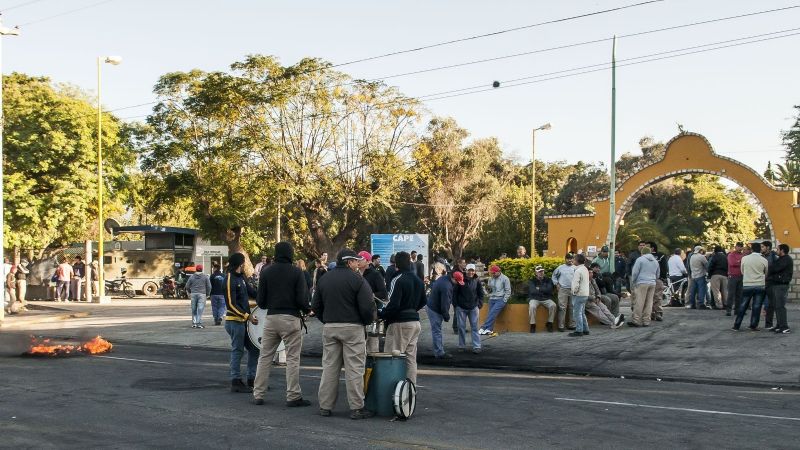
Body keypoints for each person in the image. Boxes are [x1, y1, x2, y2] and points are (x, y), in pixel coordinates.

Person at [312, 249, 376, 419]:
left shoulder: (324, 278)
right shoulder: (358, 280)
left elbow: (316, 305)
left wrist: (326, 320)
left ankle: (325, 406)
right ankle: (356, 408)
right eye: (355, 261)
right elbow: (367, 306)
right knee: (354, 368)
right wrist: (366, 321)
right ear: (349, 262)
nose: (357, 264)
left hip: (330, 327)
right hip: (353, 328)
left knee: (329, 368)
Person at [252, 242, 312, 407]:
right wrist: (307, 310)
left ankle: (258, 394)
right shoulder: (297, 272)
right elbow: (302, 299)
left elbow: (261, 302)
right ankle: (293, 395)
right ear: (290, 254)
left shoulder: (266, 272)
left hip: (271, 318)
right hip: (291, 318)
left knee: (265, 357)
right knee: (292, 358)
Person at [379, 251, 427, 383]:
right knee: (410, 358)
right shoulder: (418, 280)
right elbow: (424, 301)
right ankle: (410, 390)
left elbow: (393, 305)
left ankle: (391, 390)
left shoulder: (397, 279)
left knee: (392, 357)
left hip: (400, 323)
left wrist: (381, 314)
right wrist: (412, 310)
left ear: (396, 264)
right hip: (415, 323)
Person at [223, 253, 260, 393]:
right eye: (244, 262)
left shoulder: (242, 278)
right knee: (238, 350)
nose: (245, 265)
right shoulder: (229, 279)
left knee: (254, 348)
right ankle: (236, 381)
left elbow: (253, 293)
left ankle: (252, 379)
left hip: (244, 321)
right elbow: (230, 305)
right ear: (240, 263)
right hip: (235, 321)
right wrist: (247, 316)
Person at [733, 242, 768, 331]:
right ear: (760, 249)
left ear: (751, 250)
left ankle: (736, 325)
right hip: (760, 285)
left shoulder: (744, 258)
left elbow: (742, 271)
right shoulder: (764, 260)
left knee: (743, 305)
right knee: (756, 306)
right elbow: (766, 273)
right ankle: (753, 325)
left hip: (747, 284)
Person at [427, 268, 459, 358]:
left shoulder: (444, 278)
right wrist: (446, 316)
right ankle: (439, 352)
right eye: (457, 281)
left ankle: (438, 349)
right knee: (437, 331)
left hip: (432, 305)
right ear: (453, 278)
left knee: (437, 330)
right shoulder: (447, 287)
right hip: (435, 309)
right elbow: (444, 304)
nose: (457, 284)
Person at [358, 250, 386, 353]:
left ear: (368, 261)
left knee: (372, 341)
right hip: (357, 314)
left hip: (371, 312)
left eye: (360, 259)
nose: (358, 262)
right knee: (359, 343)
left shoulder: (375, 274)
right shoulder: (355, 274)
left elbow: (383, 293)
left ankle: (373, 365)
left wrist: (372, 295)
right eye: (357, 259)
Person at [454, 263, 484, 352]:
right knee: (461, 327)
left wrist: (480, 304)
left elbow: (480, 293)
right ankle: (461, 346)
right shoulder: (460, 279)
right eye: (469, 270)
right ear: (466, 270)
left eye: (472, 270)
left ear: (474, 271)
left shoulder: (477, 280)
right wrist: (456, 305)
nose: (471, 272)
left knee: (474, 327)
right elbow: (455, 293)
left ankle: (477, 346)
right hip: (461, 307)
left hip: (473, 307)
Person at [628, 245, 660, 327]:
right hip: (652, 283)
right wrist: (654, 280)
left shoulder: (640, 260)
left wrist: (634, 281)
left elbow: (635, 272)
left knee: (639, 302)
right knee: (649, 302)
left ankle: (636, 320)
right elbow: (658, 274)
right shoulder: (655, 261)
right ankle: (646, 321)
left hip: (642, 282)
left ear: (642, 252)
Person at [587, 264, 625, 329]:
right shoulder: (583, 282)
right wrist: (593, 298)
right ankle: (612, 323)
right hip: (587, 301)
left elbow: (597, 290)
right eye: (589, 273)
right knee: (598, 310)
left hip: (595, 299)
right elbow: (584, 294)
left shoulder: (593, 280)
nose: (591, 274)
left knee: (604, 308)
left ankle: (614, 320)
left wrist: (598, 297)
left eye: (591, 273)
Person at [478, 265, 511, 336]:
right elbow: (490, 290)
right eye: (492, 273)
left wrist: (504, 300)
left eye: (494, 273)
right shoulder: (491, 279)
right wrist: (486, 290)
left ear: (499, 272)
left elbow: (508, 291)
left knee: (492, 313)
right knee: (491, 314)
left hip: (500, 299)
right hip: (492, 299)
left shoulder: (505, 278)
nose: (493, 274)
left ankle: (483, 327)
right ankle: (489, 330)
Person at [767, 243, 792, 334]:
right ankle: (779, 325)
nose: (776, 251)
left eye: (777, 249)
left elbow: (774, 269)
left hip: (781, 285)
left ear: (782, 250)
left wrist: (771, 270)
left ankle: (784, 327)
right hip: (776, 284)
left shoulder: (786, 259)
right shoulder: (780, 259)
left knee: (780, 306)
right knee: (776, 306)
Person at [551, 254, 576, 332]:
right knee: (562, 307)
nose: (570, 260)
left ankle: (571, 325)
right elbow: (554, 276)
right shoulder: (560, 268)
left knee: (572, 307)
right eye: (568, 259)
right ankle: (561, 326)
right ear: (565, 259)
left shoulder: (575, 268)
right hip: (563, 290)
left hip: (573, 290)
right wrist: (556, 284)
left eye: (571, 259)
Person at [528, 265, 556, 333]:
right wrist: (544, 289)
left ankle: (549, 323)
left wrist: (539, 289)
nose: (541, 273)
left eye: (542, 271)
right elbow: (532, 291)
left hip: (546, 298)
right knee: (532, 306)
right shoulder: (532, 280)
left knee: (553, 305)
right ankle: (533, 324)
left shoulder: (548, 280)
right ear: (536, 273)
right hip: (535, 298)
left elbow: (549, 290)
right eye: (539, 272)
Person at [568, 254, 591, 337]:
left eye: (574, 259)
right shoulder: (585, 269)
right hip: (585, 294)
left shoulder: (578, 271)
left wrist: (574, 292)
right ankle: (586, 329)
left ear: (577, 261)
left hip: (579, 294)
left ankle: (579, 330)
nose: (573, 261)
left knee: (577, 313)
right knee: (582, 313)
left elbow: (575, 284)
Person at [185, 264, 211, 328]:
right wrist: (207, 294)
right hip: (202, 294)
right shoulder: (205, 277)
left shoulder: (192, 277)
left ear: (196, 269)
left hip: (193, 294)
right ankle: (199, 323)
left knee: (194, 309)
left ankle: (194, 323)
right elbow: (209, 286)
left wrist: (190, 292)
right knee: (200, 309)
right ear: (202, 269)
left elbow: (187, 286)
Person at [761, 241, 780, 330]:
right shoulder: (760, 256)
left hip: (770, 282)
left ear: (768, 247)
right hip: (760, 282)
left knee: (769, 304)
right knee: (757, 303)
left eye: (763, 247)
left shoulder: (774, 257)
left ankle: (768, 324)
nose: (761, 248)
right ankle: (754, 324)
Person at [726, 242, 745, 317]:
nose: (740, 248)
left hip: (741, 276)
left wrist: (738, 262)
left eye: (741, 247)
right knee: (731, 294)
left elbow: (744, 263)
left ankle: (737, 310)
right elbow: (732, 263)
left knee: (739, 294)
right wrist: (740, 262)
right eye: (739, 246)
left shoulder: (743, 255)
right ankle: (728, 310)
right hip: (732, 276)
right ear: (736, 247)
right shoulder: (731, 255)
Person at [707, 245, 728, 310]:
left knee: (716, 291)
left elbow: (710, 266)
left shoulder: (714, 256)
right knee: (725, 291)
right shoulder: (725, 257)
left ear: (715, 250)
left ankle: (719, 305)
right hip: (724, 275)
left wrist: (709, 275)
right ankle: (726, 304)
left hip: (715, 274)